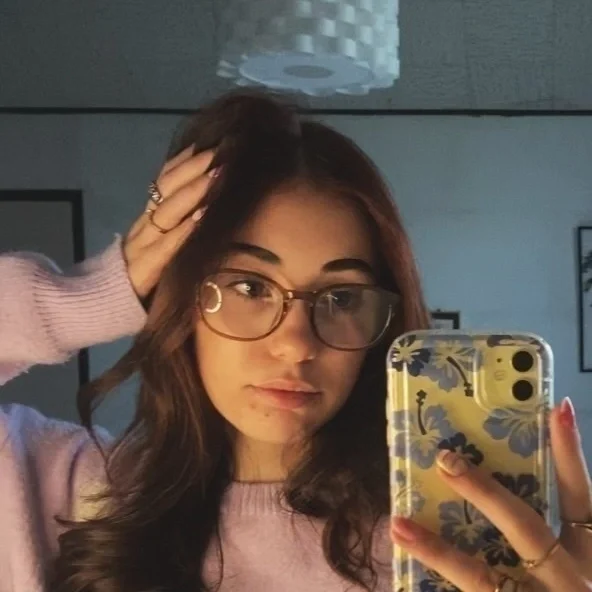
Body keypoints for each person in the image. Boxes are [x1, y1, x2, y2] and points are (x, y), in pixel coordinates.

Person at [0, 89, 591, 592]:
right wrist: (96, 292)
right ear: (183, 299)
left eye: (342, 298)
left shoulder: (437, 544)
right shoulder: (68, 491)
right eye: (249, 286)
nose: (296, 345)